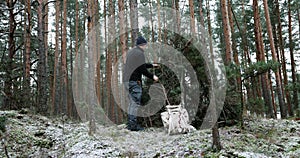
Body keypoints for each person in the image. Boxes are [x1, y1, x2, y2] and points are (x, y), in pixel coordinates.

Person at [123, 36, 159, 131]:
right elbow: (142, 69)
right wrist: (153, 76)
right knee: (135, 103)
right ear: (142, 45)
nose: (146, 47)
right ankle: (133, 126)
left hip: (127, 81)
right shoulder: (139, 54)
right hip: (134, 81)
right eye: (145, 45)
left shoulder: (132, 52)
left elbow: (140, 65)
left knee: (132, 103)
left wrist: (151, 65)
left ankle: (130, 124)